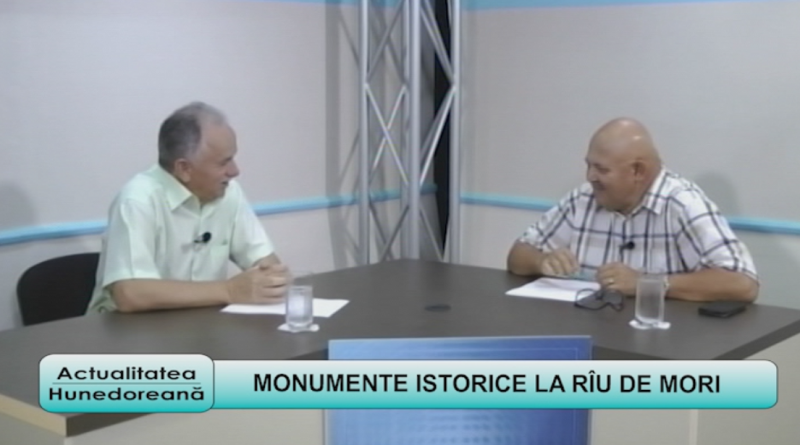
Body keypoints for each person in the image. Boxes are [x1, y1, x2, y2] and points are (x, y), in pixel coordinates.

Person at [506, 118, 759, 302]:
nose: (590, 176)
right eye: (589, 166)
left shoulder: (683, 204)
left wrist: (647, 284)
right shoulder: (583, 198)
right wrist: (542, 261)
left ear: (638, 171)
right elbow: (517, 256)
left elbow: (743, 283)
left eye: (601, 169)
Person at [86, 102, 288, 313]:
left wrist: (271, 280)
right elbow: (130, 294)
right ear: (184, 168)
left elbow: (267, 264)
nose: (235, 171)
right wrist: (229, 290)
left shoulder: (228, 191)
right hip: (127, 329)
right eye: (223, 162)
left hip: (199, 324)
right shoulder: (137, 200)